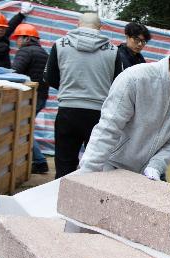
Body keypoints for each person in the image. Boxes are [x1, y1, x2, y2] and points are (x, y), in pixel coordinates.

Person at [78, 27, 170, 181]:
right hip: (113, 166)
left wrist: (156, 165)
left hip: (149, 172)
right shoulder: (135, 79)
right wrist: (87, 174)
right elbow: (108, 128)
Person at [44, 12, 122, 179]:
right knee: (95, 166)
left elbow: (50, 78)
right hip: (98, 114)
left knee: (64, 162)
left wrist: (69, 89)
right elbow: (118, 84)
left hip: (67, 111)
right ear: (100, 28)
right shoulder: (113, 51)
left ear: (78, 25)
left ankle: (60, 200)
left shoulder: (59, 45)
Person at [11, 23, 50, 174]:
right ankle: (37, 161)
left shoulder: (25, 51)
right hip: (41, 96)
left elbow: (15, 73)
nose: (17, 41)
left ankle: (40, 162)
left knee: (23, 128)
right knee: (26, 127)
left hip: (28, 96)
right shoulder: (43, 53)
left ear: (27, 38)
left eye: (18, 38)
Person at [0, 2, 33, 68]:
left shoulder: (2, 36)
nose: (1, 29)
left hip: (6, 75)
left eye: (3, 27)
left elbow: (12, 25)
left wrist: (22, 14)